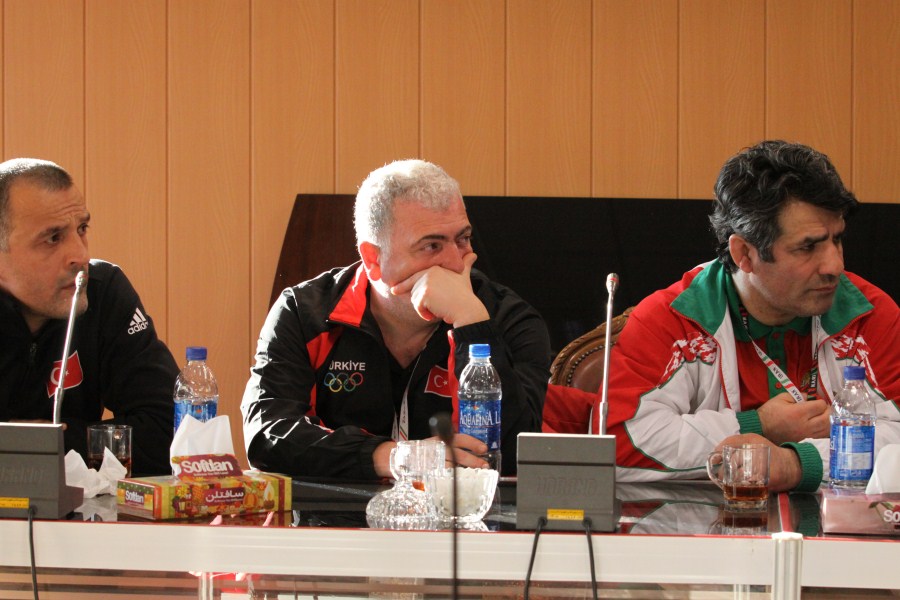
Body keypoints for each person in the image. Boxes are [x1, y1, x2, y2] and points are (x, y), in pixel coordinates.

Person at [603, 141, 900, 492]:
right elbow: (617, 442)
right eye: (808, 247)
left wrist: (795, 464)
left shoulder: (870, 315)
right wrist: (756, 425)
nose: (835, 265)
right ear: (744, 253)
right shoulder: (673, 319)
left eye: (837, 239)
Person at [242, 159, 550, 479]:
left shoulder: (510, 319)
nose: (456, 263)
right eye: (432, 245)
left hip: (462, 509)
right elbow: (266, 438)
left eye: (462, 239)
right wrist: (395, 457)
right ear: (374, 259)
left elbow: (516, 458)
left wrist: (472, 324)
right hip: (339, 510)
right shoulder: (303, 313)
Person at [0, 158, 178, 476]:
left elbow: (170, 432)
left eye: (82, 229)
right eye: (53, 238)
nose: (81, 255)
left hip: (83, 507)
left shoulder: (102, 290)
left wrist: (46, 443)